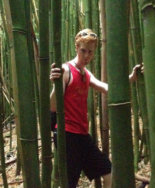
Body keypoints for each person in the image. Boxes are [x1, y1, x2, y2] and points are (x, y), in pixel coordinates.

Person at [49, 29, 112, 188]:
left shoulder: (85, 73)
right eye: (83, 50)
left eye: (90, 52)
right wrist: (56, 83)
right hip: (67, 135)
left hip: (82, 135)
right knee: (70, 182)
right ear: (76, 47)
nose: (86, 56)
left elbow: (106, 88)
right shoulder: (66, 70)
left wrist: (131, 78)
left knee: (107, 169)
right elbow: (53, 106)